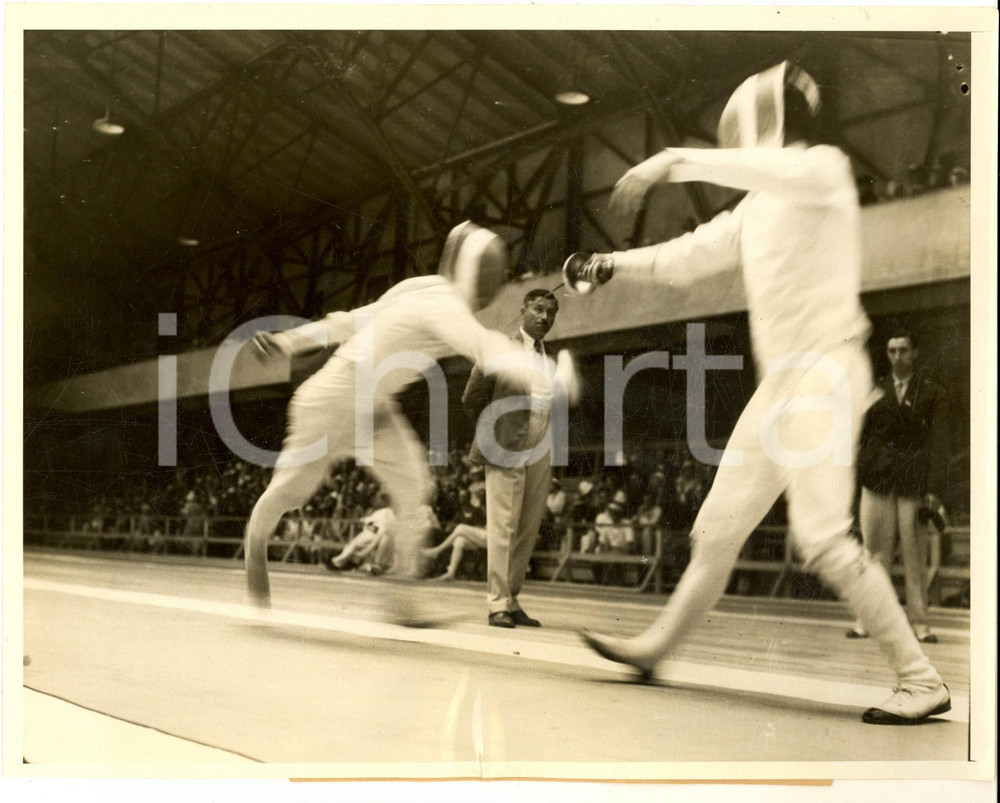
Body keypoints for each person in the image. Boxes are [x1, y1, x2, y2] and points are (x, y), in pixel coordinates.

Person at [576, 62, 949, 725]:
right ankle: (658, 648)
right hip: (780, 385)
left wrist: (668, 159)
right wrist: (612, 265)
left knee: (823, 537)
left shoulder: (823, 171)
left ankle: (919, 678)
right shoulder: (755, 209)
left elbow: (755, 171)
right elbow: (680, 259)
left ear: (766, 121)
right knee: (716, 529)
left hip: (826, 373)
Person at [245, 220, 518, 623]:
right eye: (486, 272)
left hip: (376, 409)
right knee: (293, 492)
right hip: (334, 398)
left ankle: (400, 596)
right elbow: (351, 321)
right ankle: (255, 541)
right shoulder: (432, 298)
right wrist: (289, 342)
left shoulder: (443, 302)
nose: (488, 283)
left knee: (413, 487)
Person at [462, 288, 560, 628]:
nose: (544, 317)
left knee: (527, 529)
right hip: (507, 445)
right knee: (502, 527)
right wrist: (494, 434)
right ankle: (496, 604)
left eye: (551, 312)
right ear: (523, 310)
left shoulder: (550, 359)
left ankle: (512, 598)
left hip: (541, 447)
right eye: (538, 309)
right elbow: (472, 396)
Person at [848, 328, 951, 643]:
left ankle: (919, 623)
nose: (897, 357)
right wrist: (865, 468)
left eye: (903, 350)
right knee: (873, 553)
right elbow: (859, 437)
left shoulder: (933, 393)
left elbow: (940, 443)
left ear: (915, 353)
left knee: (914, 553)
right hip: (877, 479)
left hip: (913, 482)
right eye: (892, 351)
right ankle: (867, 620)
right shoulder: (875, 392)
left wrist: (933, 489)